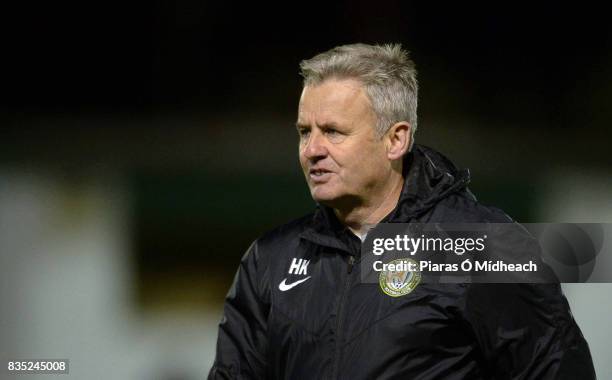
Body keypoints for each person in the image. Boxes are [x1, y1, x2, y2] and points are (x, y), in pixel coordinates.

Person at [208, 43, 595, 379]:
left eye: (333, 131)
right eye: (304, 131)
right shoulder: (271, 260)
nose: (312, 149)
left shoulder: (482, 247)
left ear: (396, 139)